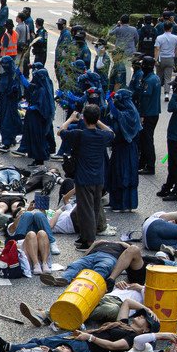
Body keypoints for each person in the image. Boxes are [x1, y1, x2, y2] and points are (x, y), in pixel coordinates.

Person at [62, 105, 114, 248]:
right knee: (95, 209)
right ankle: (86, 237)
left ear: (83, 119)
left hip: (84, 178)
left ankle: (89, 241)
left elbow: (61, 131)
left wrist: (71, 119)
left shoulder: (79, 134)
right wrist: (98, 121)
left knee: (86, 211)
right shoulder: (102, 135)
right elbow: (111, 132)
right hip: (98, 178)